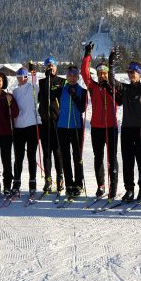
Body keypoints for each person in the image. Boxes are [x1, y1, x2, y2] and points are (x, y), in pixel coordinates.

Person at [109, 54, 141, 202]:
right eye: (128, 72)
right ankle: (129, 189)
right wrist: (111, 65)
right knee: (127, 160)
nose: (130, 75)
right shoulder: (125, 88)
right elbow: (112, 82)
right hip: (127, 129)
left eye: (133, 72)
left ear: (139, 74)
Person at [81, 42, 119, 199]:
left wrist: (111, 63)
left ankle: (113, 186)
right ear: (97, 74)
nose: (102, 75)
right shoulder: (93, 87)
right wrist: (87, 55)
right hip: (96, 127)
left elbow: (114, 83)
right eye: (100, 73)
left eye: (104, 73)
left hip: (111, 127)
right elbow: (84, 73)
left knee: (112, 159)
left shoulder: (113, 88)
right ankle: (101, 185)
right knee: (98, 158)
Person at [56, 66, 88, 198]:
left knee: (77, 157)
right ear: (67, 76)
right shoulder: (61, 90)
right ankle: (69, 184)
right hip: (62, 127)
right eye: (70, 75)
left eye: (75, 75)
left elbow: (82, 109)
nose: (72, 77)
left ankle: (78, 184)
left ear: (78, 76)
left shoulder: (83, 91)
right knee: (65, 157)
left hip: (76, 127)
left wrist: (75, 96)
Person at [11, 66, 42, 196]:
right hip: (18, 127)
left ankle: (32, 182)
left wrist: (32, 71)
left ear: (27, 77)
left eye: (24, 76)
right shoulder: (15, 92)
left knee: (31, 156)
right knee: (18, 157)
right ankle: (16, 183)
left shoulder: (33, 88)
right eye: (19, 77)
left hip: (32, 125)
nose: (21, 79)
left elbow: (35, 81)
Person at [38, 57, 65, 193]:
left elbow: (61, 97)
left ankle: (60, 177)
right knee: (47, 152)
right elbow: (41, 98)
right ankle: (48, 179)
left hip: (57, 121)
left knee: (58, 152)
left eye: (52, 65)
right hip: (45, 121)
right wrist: (47, 80)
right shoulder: (42, 82)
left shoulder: (62, 81)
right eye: (48, 66)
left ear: (56, 67)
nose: (50, 67)